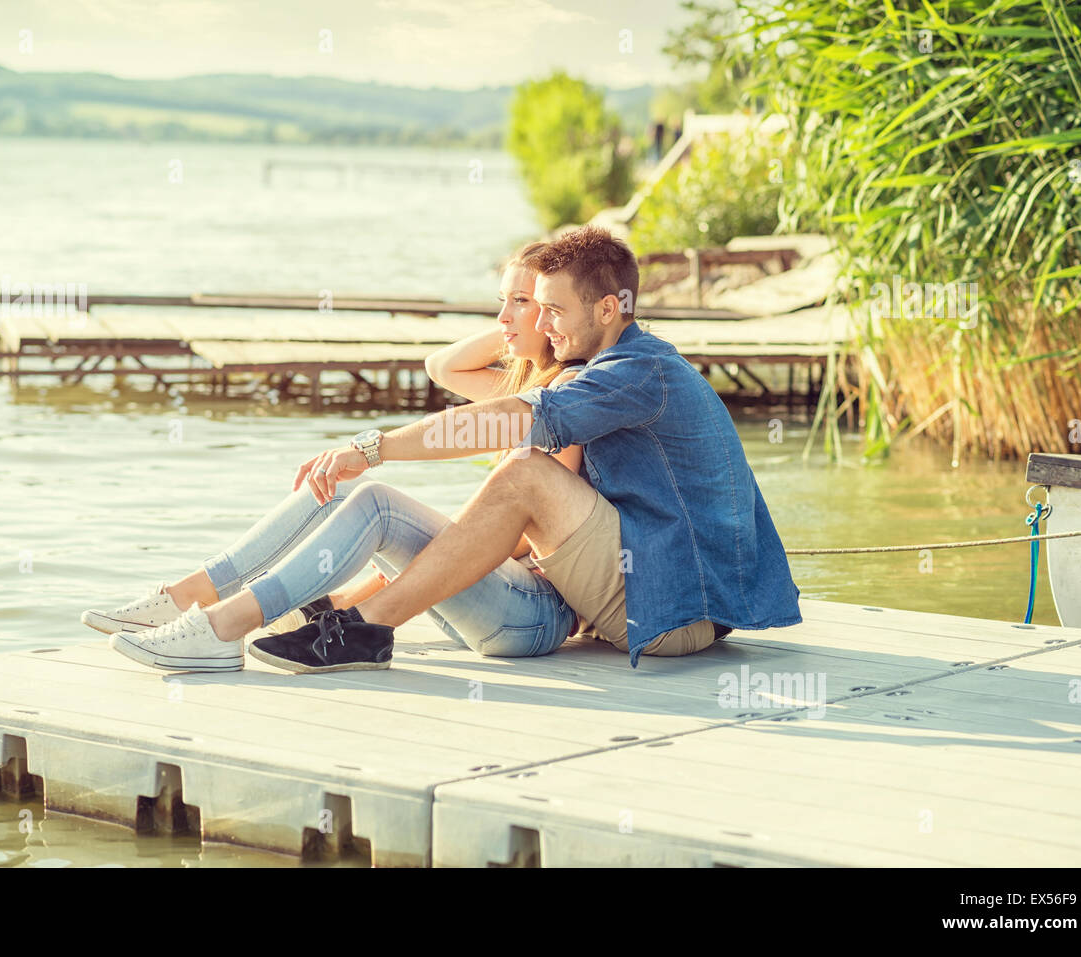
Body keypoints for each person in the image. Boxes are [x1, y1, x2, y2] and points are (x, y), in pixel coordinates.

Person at [239, 225, 802, 673]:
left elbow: (511, 421)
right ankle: (342, 616)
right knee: (499, 481)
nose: (544, 325)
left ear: (608, 309)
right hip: (671, 600)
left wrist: (374, 447)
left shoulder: (635, 371)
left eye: (553, 310)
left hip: (675, 612)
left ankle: (365, 630)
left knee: (527, 472)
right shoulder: (620, 365)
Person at [82, 243, 586, 672]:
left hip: (531, 614)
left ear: (553, 310)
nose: (503, 316)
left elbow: (527, 536)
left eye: (522, 302)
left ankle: (218, 628)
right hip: (489, 599)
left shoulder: (565, 399)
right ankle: (191, 595)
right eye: (502, 301)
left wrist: (533, 315)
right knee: (337, 487)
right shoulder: (520, 388)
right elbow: (442, 366)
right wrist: (514, 325)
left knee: (379, 504)